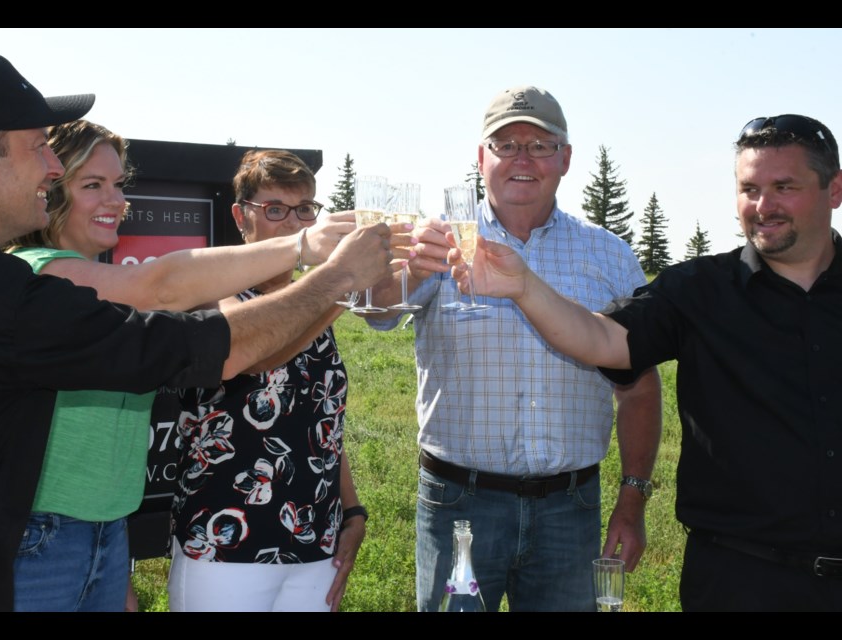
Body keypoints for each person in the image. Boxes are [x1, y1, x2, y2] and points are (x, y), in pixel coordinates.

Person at [0, 50, 393, 611]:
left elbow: (164, 285)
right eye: (38, 147)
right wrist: (335, 274)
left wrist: (306, 253)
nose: (50, 167)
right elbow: (173, 307)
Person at [453, 113, 842, 611]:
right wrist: (524, 286)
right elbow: (602, 339)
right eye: (749, 189)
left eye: (783, 186)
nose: (762, 206)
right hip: (739, 579)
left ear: (833, 190)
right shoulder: (699, 290)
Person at [1, 121, 361, 612]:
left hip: (103, 532)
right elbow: (180, 302)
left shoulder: (107, 284)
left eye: (118, 184)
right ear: (50, 189)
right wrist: (322, 264)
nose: (114, 200)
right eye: (92, 185)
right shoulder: (36, 271)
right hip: (41, 533)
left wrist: (112, 558)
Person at [367, 85, 662, 611]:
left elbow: (639, 387)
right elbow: (380, 311)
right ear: (480, 158)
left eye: (540, 145)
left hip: (570, 508)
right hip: (459, 503)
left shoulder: (610, 256)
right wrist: (410, 268)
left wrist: (633, 497)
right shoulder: (438, 243)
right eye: (505, 144)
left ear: (565, 159)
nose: (522, 158)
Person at [167, 150, 369, 612]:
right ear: (241, 216)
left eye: (304, 210)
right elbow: (253, 355)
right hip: (224, 547)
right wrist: (343, 286)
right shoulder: (210, 290)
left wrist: (352, 512)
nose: (293, 225)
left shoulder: (313, 300)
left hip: (315, 543)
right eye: (274, 209)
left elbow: (321, 425)